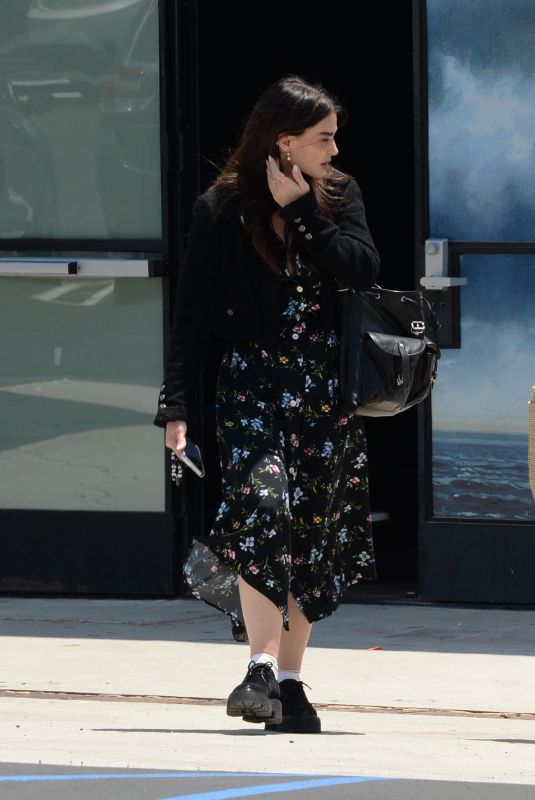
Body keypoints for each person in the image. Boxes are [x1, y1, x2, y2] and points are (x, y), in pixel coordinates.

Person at [153, 75, 380, 734]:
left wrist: (306, 210)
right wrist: (176, 409)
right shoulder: (221, 208)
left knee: (309, 533)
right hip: (250, 386)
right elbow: (191, 317)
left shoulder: (338, 196)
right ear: (285, 140)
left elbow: (361, 270)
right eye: (323, 138)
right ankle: (259, 664)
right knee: (263, 510)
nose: (334, 150)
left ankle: (289, 681)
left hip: (325, 395)